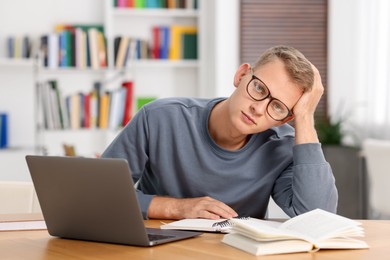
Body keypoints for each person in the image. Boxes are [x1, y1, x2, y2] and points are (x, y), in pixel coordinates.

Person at [102, 45, 338, 220]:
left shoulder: (282, 147)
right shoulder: (160, 117)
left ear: (285, 118)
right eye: (259, 88)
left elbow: (317, 216)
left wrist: (305, 117)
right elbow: (99, 193)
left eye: (277, 107)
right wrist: (177, 208)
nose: (258, 108)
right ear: (241, 75)